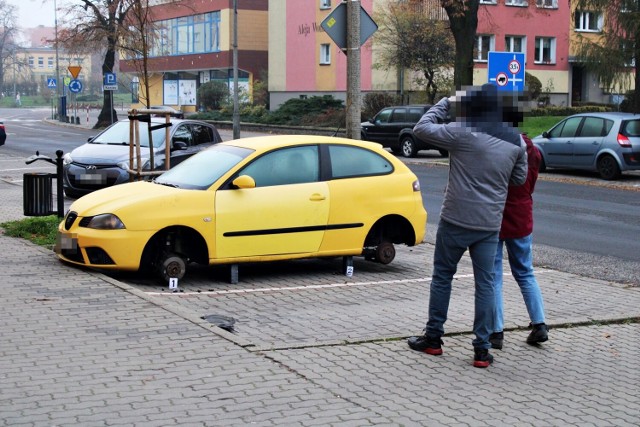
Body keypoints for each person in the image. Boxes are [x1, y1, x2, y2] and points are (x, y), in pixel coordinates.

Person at [407, 84, 528, 368]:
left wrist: (446, 103)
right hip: (488, 224)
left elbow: (420, 128)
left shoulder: (462, 131)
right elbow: (519, 179)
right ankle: (482, 350)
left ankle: (434, 339)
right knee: (485, 284)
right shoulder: (516, 141)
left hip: (455, 220)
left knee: (443, 277)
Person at [489, 106, 548, 350]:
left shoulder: (497, 147)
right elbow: (530, 182)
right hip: (522, 216)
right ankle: (540, 323)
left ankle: (496, 331)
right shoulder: (532, 149)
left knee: (493, 275)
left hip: (496, 216)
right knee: (525, 272)